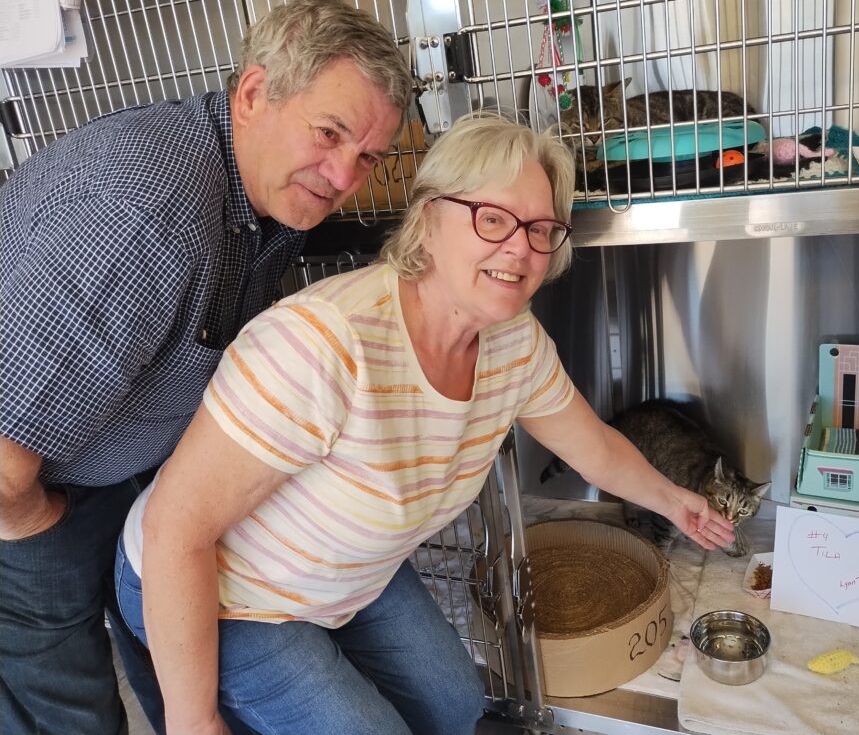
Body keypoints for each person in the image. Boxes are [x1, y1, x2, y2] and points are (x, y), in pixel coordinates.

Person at [113, 111, 737, 735]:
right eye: (493, 219)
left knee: (453, 706)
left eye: (542, 229)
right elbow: (176, 533)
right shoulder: (321, 345)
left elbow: (594, 446)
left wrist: (676, 501)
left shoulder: (514, 342)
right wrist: (193, 721)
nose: (520, 248)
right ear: (429, 221)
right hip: (224, 593)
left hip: (348, 577)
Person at [0, 0, 411, 735]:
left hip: (111, 472)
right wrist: (42, 523)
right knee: (64, 713)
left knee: (168, 667)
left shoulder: (259, 186)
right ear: (254, 92)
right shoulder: (146, 217)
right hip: (23, 502)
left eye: (366, 157)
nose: (342, 174)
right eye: (329, 134)